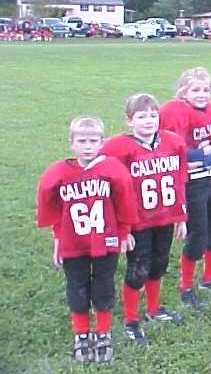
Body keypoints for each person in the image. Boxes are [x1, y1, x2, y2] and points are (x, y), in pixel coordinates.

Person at [36, 116, 138, 364]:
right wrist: (58, 239)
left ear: (102, 142)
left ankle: (103, 331)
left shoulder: (112, 169)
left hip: (106, 239)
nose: (88, 146)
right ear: (71, 143)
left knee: (104, 285)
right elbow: (54, 209)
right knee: (77, 286)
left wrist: (125, 231)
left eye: (93, 141)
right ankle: (81, 333)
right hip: (74, 241)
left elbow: (125, 202)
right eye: (82, 141)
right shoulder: (58, 172)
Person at [101, 94, 188, 345]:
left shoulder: (173, 142)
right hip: (137, 220)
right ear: (129, 120)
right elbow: (109, 189)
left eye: (153, 115)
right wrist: (122, 228)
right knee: (137, 269)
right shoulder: (117, 148)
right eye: (141, 116)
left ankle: (153, 308)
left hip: (164, 216)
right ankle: (131, 320)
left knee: (159, 264)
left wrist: (181, 217)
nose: (149, 120)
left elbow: (180, 181)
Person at [159, 68, 211, 310]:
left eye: (205, 89)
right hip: (188, 184)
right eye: (195, 89)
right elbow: (171, 150)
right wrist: (196, 155)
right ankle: (185, 286)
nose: (202, 94)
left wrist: (199, 157)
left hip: (208, 179)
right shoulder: (174, 113)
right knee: (197, 236)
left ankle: (209, 278)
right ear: (183, 92)